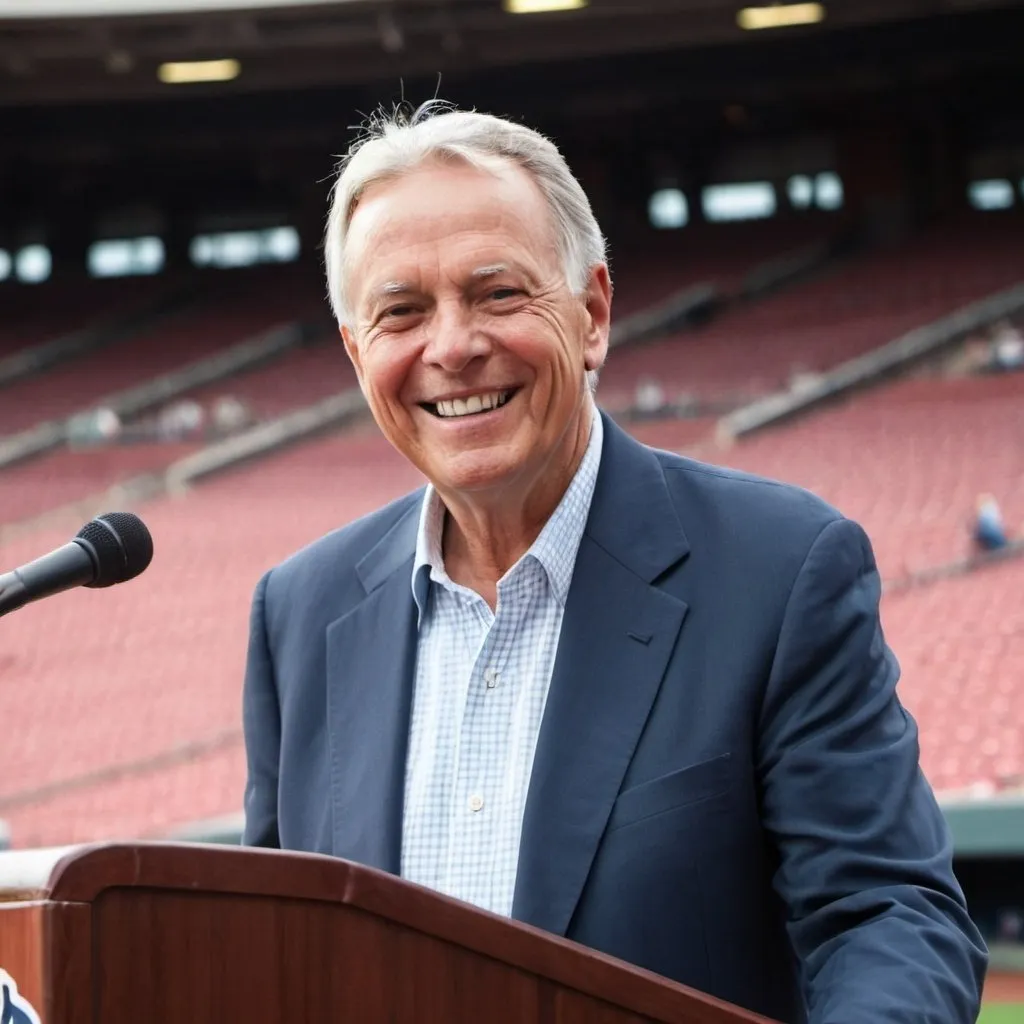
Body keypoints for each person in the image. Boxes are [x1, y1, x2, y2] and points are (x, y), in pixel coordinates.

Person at [241, 102, 986, 1022]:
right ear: (359, 354)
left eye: (497, 293)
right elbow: (267, 955)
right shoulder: (297, 613)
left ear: (592, 311)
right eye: (401, 312)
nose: (452, 346)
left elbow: (887, 917)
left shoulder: (781, 572)